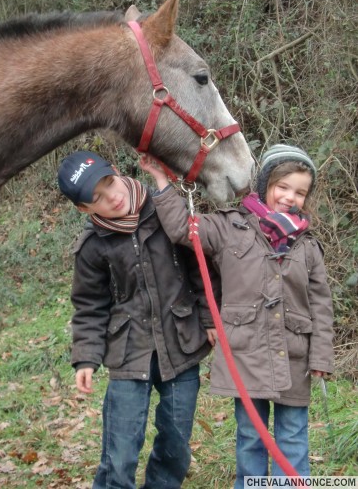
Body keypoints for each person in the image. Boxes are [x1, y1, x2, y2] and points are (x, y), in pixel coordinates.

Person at [140, 144, 335, 487]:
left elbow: (321, 305)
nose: (290, 197)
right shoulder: (229, 227)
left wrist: (321, 355)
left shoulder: (308, 247)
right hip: (245, 354)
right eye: (283, 187)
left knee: (292, 437)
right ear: (264, 185)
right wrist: (161, 180)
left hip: (293, 356)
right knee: (250, 437)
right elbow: (181, 229)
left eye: (300, 192)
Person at [56, 150, 218, 489]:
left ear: (116, 171)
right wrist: (86, 357)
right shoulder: (92, 247)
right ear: (84, 209)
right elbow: (89, 305)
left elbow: (200, 271)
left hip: (181, 344)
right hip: (129, 352)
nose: (111, 197)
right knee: (120, 451)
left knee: (176, 444)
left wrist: (209, 318)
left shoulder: (164, 212)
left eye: (109, 183)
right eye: (96, 198)